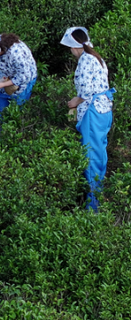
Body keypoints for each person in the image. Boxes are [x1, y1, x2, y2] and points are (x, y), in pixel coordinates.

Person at [61, 27, 115, 212]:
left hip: (93, 112)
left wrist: (74, 102)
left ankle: (92, 210)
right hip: (104, 110)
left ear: (73, 46)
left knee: (90, 158)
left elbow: (85, 91)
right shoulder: (97, 57)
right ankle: (97, 199)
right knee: (99, 155)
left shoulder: (85, 60)